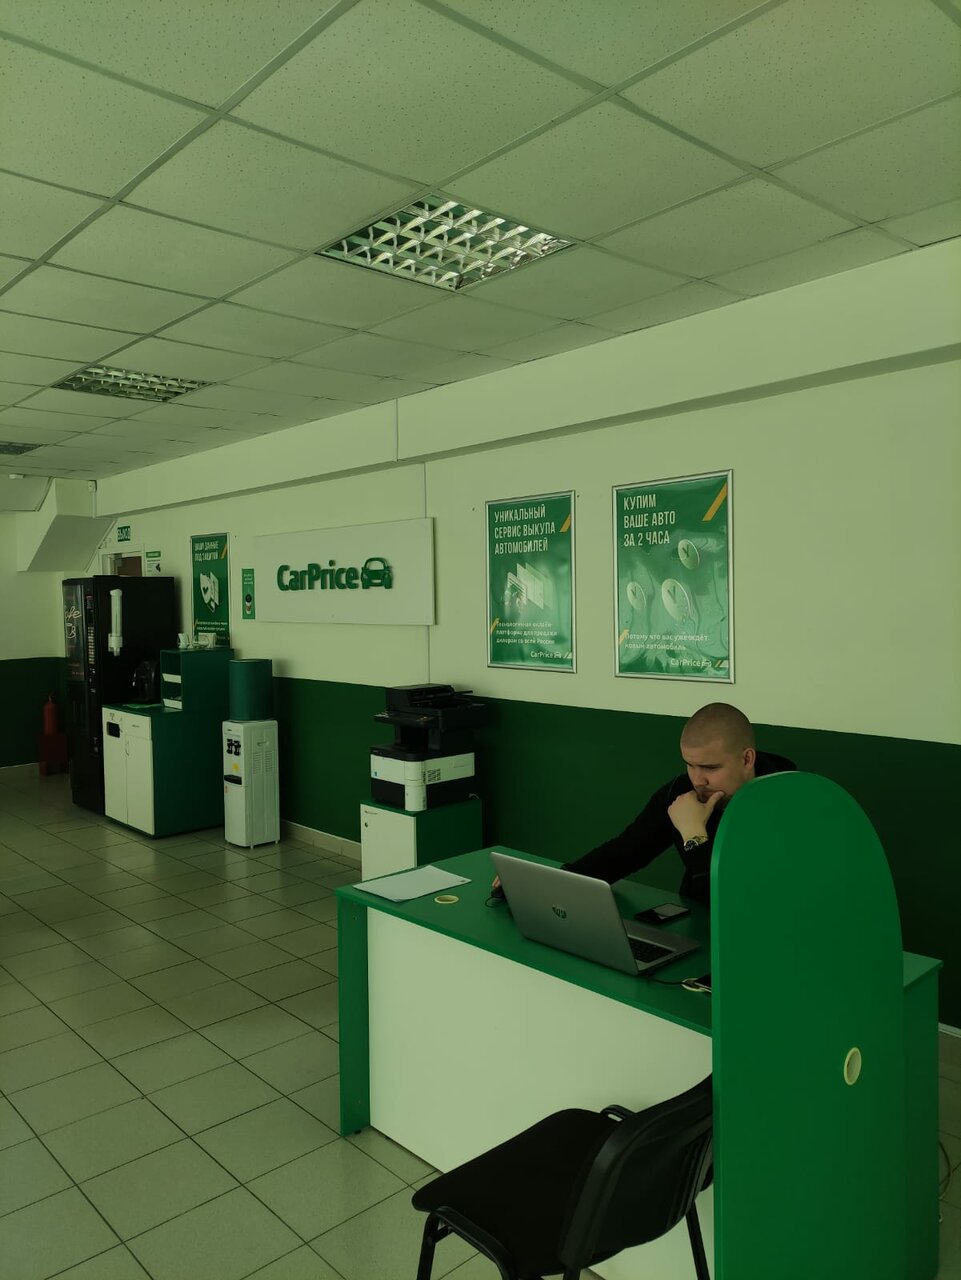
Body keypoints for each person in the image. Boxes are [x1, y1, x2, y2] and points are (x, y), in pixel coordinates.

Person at [491, 703, 794, 905]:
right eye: (690, 764)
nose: (698, 779)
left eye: (711, 768)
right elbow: (627, 851)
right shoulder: (681, 792)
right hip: (700, 931)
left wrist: (693, 834)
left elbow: (737, 901)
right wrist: (549, 884)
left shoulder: (788, 801)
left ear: (747, 759)